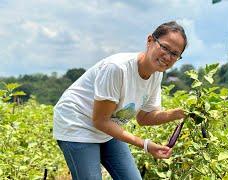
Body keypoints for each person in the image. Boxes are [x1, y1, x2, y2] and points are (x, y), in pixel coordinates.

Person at [53, 21, 188, 180]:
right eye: (164, 47)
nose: (167, 56)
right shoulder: (117, 68)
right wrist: (145, 144)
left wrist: (178, 113)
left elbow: (144, 118)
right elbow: (100, 121)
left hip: (107, 127)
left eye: (175, 53)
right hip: (77, 123)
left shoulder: (157, 74)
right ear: (150, 40)